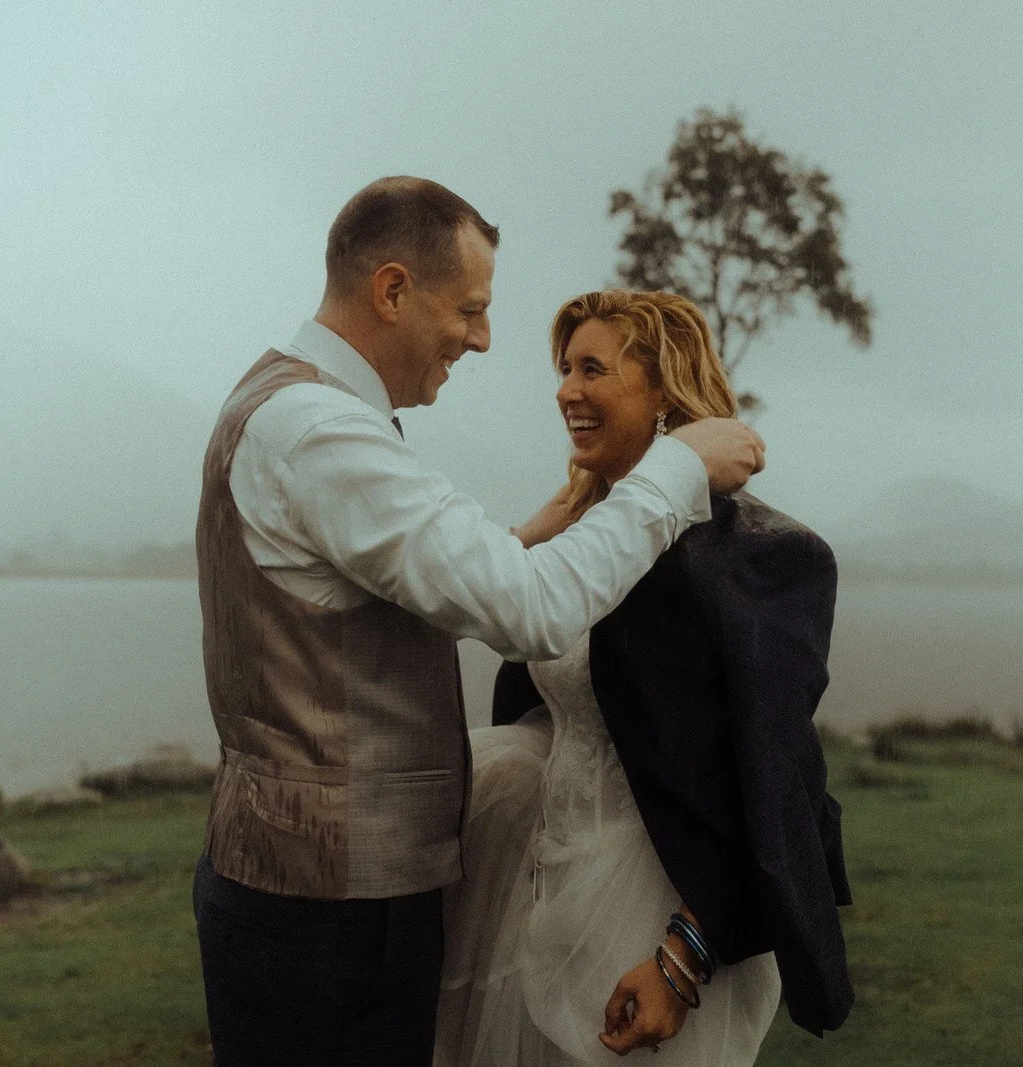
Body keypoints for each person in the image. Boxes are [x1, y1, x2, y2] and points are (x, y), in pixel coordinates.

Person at [190, 178, 767, 1065]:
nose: (484, 337)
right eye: (470, 309)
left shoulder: (284, 405)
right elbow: (528, 609)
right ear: (391, 290)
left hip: (307, 893)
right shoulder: (320, 433)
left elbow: (380, 596)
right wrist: (679, 467)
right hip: (329, 915)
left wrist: (538, 530)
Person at [436, 290, 852, 1064]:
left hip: (651, 898)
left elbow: (768, 775)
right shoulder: (581, 536)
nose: (567, 389)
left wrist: (682, 956)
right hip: (536, 880)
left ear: (664, 390)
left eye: (593, 367)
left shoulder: (756, 557)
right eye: (564, 368)